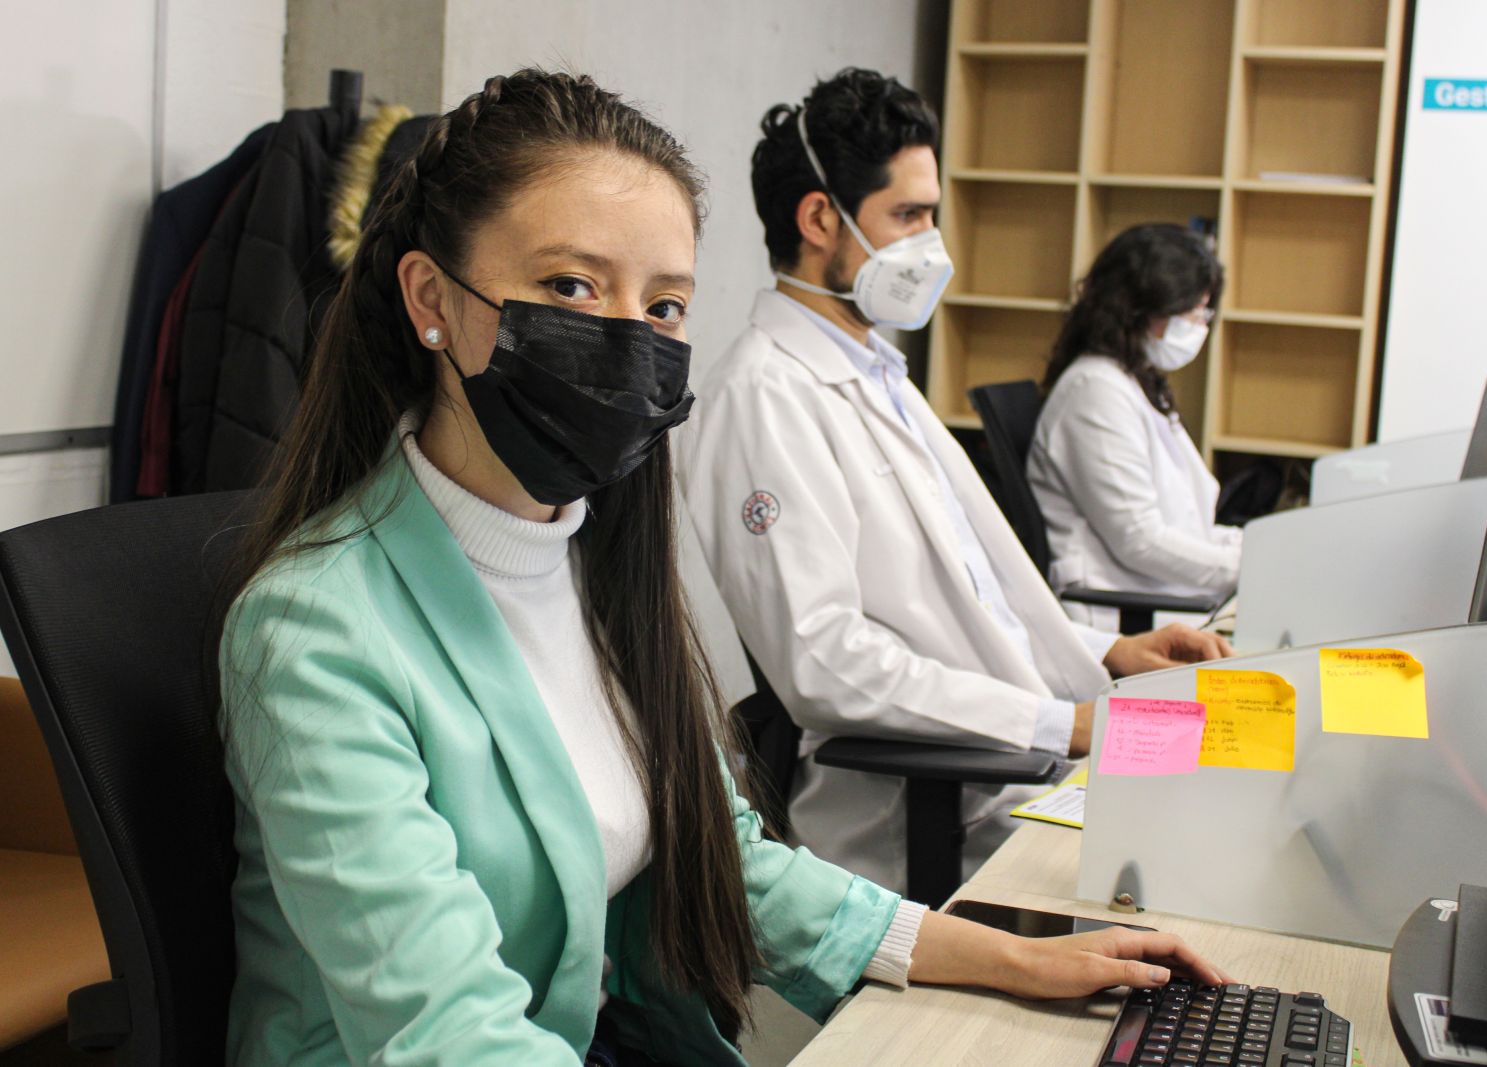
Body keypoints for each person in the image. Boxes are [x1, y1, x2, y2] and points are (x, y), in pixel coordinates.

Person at [214, 70, 1227, 1066]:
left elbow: (730, 860)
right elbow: (444, 1030)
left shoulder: (595, 561)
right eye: (570, 284)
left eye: (662, 307)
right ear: (432, 298)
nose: (624, 334)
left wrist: (1011, 957)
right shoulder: (317, 629)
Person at [678, 69, 1233, 894]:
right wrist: (1063, 723)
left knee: (1245, 786)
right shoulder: (763, 398)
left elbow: (975, 607)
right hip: (934, 807)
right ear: (821, 218)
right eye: (909, 215)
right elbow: (825, 661)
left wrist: (1109, 649)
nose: (931, 242)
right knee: (1219, 866)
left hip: (1013, 758)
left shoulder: (874, 370)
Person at [1028, 224, 1242, 627]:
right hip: (1125, 613)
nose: (1199, 325)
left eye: (1204, 312)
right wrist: (1245, 566)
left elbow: (1185, 523)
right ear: (1137, 308)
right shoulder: (1095, 391)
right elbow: (1139, 540)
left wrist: (1257, 551)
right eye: (1190, 312)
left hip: (1162, 596)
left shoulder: (1133, 381)